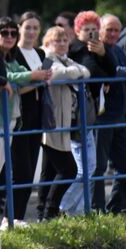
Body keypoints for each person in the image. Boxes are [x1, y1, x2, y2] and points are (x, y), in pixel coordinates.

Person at [0, 17, 50, 216]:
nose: (9, 36)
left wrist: (36, 76)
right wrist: (33, 76)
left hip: (9, 119)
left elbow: (17, 73)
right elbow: (7, 77)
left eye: (12, 33)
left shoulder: (9, 57)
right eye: (4, 32)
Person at [61, 10, 117, 216]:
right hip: (77, 114)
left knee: (91, 166)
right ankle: (64, 208)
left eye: (95, 29)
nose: (92, 33)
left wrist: (103, 53)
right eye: (87, 30)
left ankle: (78, 211)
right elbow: (92, 73)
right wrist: (102, 76)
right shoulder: (74, 50)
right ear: (78, 31)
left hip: (92, 112)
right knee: (85, 167)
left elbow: (112, 72)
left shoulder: (100, 50)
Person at [37, 26, 89, 221]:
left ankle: (44, 212)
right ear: (48, 42)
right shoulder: (48, 58)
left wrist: (72, 71)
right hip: (51, 123)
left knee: (49, 170)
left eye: (64, 40)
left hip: (62, 123)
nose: (61, 44)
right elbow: (57, 75)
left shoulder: (65, 60)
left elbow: (86, 72)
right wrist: (74, 71)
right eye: (56, 40)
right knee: (69, 169)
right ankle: (50, 211)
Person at [5, 11, 51, 225]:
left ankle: (19, 218)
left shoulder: (40, 53)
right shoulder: (13, 55)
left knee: (30, 168)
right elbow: (17, 86)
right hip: (20, 115)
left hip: (38, 115)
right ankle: (10, 217)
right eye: (28, 27)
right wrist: (38, 80)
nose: (31, 32)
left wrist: (43, 80)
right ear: (20, 28)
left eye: (35, 28)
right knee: (20, 170)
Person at [91, 14, 126, 214]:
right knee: (98, 167)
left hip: (119, 117)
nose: (113, 34)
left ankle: (115, 207)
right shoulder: (96, 51)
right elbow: (105, 73)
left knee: (124, 166)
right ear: (100, 30)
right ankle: (97, 210)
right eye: (109, 29)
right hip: (101, 117)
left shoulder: (119, 51)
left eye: (116, 30)